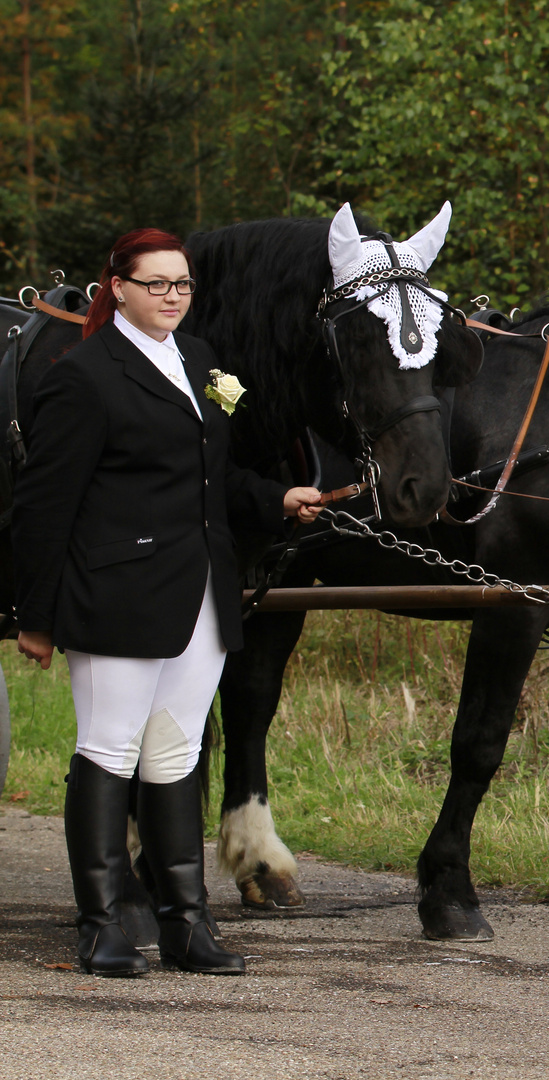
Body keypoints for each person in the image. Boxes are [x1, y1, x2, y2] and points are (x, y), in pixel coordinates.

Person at [11, 228, 323, 976]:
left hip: (202, 594)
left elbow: (215, 475)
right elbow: (45, 505)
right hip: (117, 594)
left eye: (181, 284)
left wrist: (277, 496)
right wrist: (38, 615)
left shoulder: (203, 361)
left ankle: (185, 924)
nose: (171, 296)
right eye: (155, 284)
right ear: (117, 287)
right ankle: (102, 926)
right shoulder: (83, 375)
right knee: (110, 750)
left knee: (176, 755)